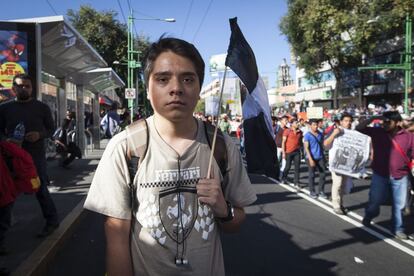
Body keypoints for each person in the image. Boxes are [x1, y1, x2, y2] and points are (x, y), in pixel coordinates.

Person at [84, 37, 257, 275]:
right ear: (147, 89)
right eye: (163, 79)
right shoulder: (125, 147)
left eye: (188, 79)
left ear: (198, 89)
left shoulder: (222, 146)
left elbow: (236, 223)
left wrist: (223, 208)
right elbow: (116, 233)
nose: (176, 88)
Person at [0, 74, 59, 238]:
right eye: (20, 86)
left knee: (40, 188)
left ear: (32, 88)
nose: (24, 88)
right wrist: (7, 140)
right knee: (7, 193)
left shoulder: (41, 108)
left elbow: (51, 129)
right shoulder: (4, 108)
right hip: (10, 158)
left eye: (27, 86)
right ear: (13, 88)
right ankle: (2, 237)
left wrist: (39, 135)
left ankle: (52, 222)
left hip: (34, 158)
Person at [356, 111, 413, 240]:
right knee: (375, 201)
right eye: (383, 121)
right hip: (380, 174)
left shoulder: (409, 137)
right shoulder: (377, 132)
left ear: (397, 122)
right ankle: (370, 214)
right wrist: (374, 118)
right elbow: (359, 128)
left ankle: (398, 228)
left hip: (400, 176)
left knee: (399, 205)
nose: (385, 124)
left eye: (388, 121)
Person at [324, 113, 353, 215]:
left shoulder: (352, 133)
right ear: (341, 122)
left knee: (343, 186)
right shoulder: (335, 131)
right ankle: (336, 205)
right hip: (336, 163)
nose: (348, 123)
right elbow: (326, 145)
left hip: (346, 164)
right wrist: (334, 134)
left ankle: (340, 204)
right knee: (337, 184)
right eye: (345, 121)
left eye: (350, 121)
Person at [304, 119, 326, 199]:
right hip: (311, 157)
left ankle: (321, 191)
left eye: (317, 125)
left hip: (320, 157)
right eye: (314, 125)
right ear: (310, 126)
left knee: (323, 174)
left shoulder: (320, 134)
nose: (316, 126)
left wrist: (324, 156)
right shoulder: (307, 135)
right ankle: (312, 191)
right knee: (312, 175)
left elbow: (323, 145)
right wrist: (310, 159)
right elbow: (306, 148)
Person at [280, 118, 303, 188]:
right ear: (292, 124)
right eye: (296, 123)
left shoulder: (300, 132)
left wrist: (301, 151)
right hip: (288, 152)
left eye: (298, 123)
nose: (298, 124)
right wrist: (283, 152)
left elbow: (300, 142)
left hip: (297, 152)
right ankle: (284, 178)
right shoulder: (287, 131)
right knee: (287, 167)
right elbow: (283, 142)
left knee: (297, 167)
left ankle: (296, 182)